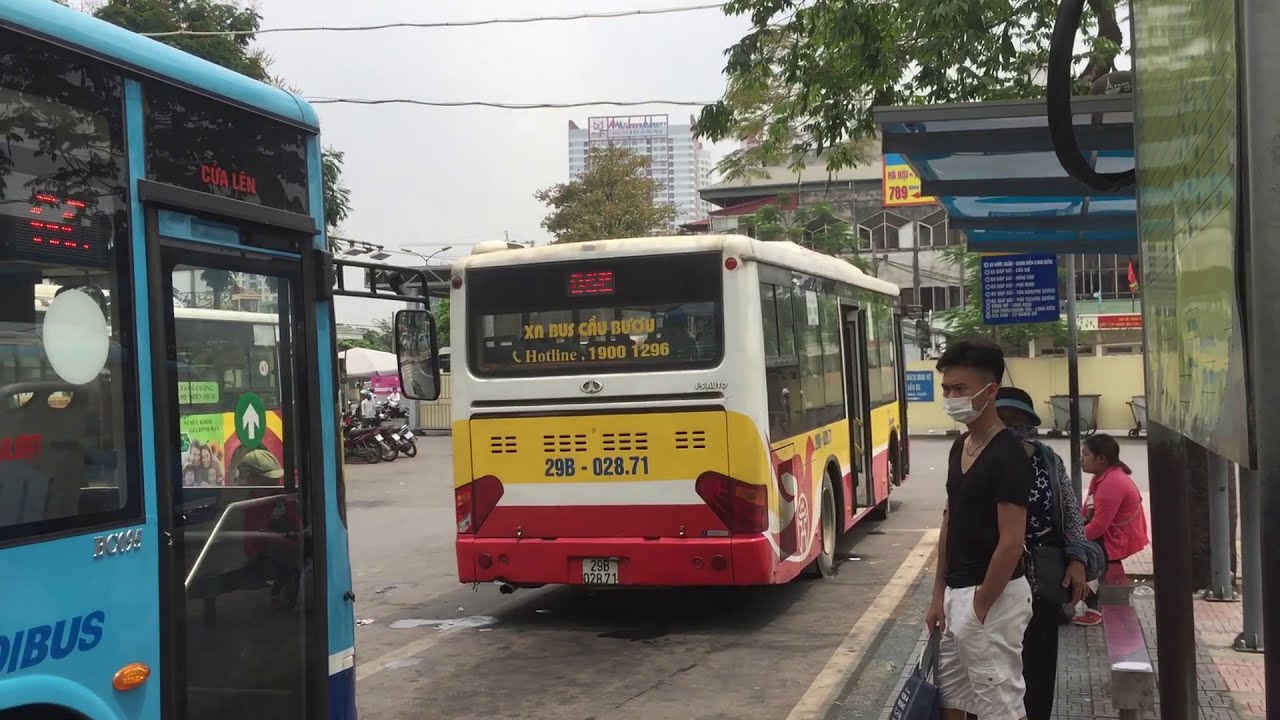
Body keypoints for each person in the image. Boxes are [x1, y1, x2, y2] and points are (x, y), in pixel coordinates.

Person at [926, 340, 1035, 720]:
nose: (950, 397)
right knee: (953, 698)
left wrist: (979, 607)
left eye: (960, 389)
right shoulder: (961, 446)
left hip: (994, 600)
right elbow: (950, 522)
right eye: (946, 389)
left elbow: (1012, 542)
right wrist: (939, 594)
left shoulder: (1009, 455)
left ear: (990, 392)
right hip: (957, 594)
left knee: (999, 704)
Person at [994, 387, 1094, 720]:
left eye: (1016, 419)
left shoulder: (1048, 459)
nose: (1010, 426)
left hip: (1041, 582)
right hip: (994, 580)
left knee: (1038, 666)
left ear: (1029, 422)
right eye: (1002, 418)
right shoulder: (978, 459)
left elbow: (1068, 511)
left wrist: (1078, 559)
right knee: (996, 670)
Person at [1074, 433, 1149, 626]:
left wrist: (1073, 540)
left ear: (1101, 459)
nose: (1081, 458)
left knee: (1087, 554)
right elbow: (1085, 511)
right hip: (1111, 532)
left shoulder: (1111, 483)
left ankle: (1093, 609)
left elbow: (1099, 527)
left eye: (1085, 454)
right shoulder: (1100, 476)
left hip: (1117, 537)